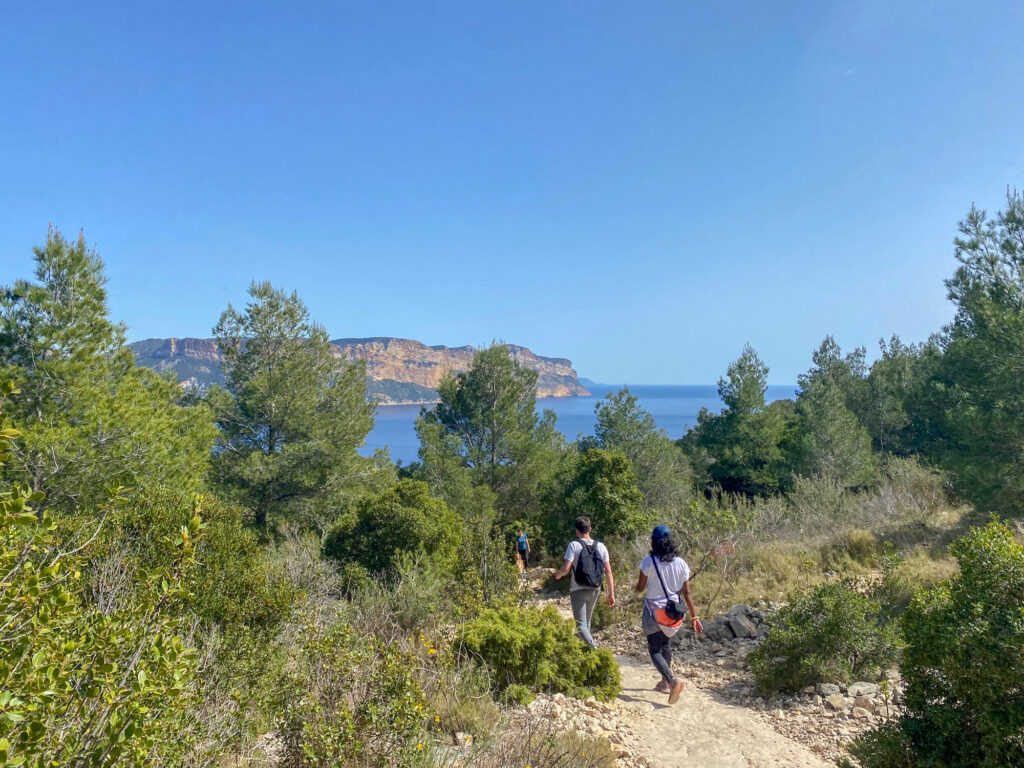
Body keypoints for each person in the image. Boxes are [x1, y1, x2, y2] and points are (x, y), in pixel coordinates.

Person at [635, 524, 703, 705]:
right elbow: (687, 593)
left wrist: (637, 588)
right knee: (666, 644)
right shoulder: (681, 563)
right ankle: (664, 682)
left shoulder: (648, 562)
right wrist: (695, 617)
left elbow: (640, 587)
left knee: (654, 648)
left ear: (654, 542)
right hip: (674, 613)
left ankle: (672, 680)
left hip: (653, 611)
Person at [554, 516, 615, 648]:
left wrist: (558, 574)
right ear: (590, 529)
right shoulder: (601, 547)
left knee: (580, 624)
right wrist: (611, 594)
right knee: (586, 623)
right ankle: (586, 653)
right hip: (595, 588)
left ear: (577, 530)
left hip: (578, 588)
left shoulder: (574, 545)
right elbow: (608, 571)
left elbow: (566, 569)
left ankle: (595, 649)